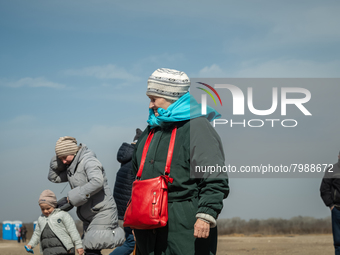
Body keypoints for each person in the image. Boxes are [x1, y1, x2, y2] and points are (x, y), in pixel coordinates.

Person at [132, 68, 229, 255]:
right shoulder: (151, 129)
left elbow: (214, 177)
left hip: (184, 224)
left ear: (171, 96)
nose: (150, 105)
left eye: (154, 99)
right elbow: (137, 175)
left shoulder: (197, 127)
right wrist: (137, 219)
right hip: (147, 226)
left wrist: (205, 216)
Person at [48, 136, 124, 255]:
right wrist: (57, 161)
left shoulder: (88, 161)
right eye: (60, 158)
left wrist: (73, 198)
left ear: (73, 151)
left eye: (64, 157)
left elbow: (97, 181)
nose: (63, 161)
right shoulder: (72, 167)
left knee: (90, 250)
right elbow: (54, 177)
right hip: (90, 215)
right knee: (89, 250)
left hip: (102, 212)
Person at [110, 128, 142, 255]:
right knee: (131, 243)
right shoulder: (137, 159)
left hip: (124, 209)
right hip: (133, 208)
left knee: (132, 242)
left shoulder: (126, 158)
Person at [26, 189, 84, 255]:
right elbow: (37, 234)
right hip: (47, 251)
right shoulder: (41, 219)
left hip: (65, 250)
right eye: (42, 209)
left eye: (48, 208)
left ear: (53, 205)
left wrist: (79, 246)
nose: (45, 211)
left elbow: (73, 231)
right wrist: (30, 245)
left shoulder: (63, 215)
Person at [320, 152, 340, 255]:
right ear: (338, 156)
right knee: (338, 242)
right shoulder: (331, 169)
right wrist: (331, 205)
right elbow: (324, 189)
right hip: (337, 209)